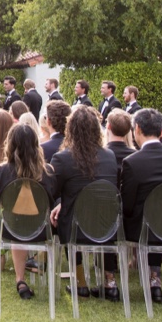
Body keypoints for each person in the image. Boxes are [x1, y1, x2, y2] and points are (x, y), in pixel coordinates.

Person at [50, 105, 121, 300]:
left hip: (75, 226)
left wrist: (60, 202)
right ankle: (110, 281)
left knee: (66, 216)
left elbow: (52, 190)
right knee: (93, 213)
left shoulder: (62, 158)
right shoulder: (110, 156)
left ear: (70, 129)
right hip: (105, 225)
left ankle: (80, 282)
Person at [120, 108, 162, 303]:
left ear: (137, 129)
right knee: (157, 214)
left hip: (143, 228)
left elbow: (127, 205)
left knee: (139, 216)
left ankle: (149, 278)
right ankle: (155, 278)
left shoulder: (132, 162)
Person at [0, 123, 51, 299]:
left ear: (10, 144)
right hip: (41, 230)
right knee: (20, 221)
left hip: (11, 229)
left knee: (15, 221)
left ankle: (20, 278)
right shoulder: (47, 171)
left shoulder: (1, 171)